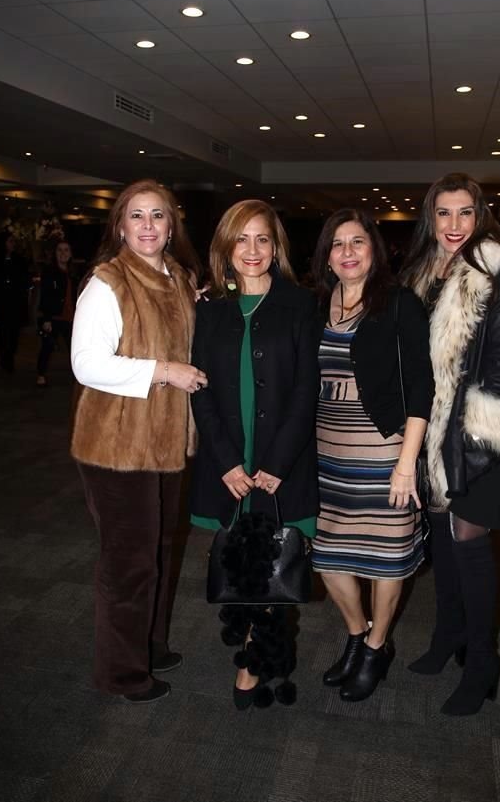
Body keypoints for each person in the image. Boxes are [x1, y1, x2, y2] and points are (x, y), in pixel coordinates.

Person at [402, 173, 500, 716]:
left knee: (470, 545)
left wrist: (475, 445)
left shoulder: (494, 271)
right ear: (430, 218)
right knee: (444, 542)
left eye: (464, 213)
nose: (454, 225)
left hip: (474, 435)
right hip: (431, 431)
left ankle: (482, 664)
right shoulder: (424, 272)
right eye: (443, 214)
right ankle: (447, 636)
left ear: (481, 215)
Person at [71, 179, 206, 704]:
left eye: (158, 216)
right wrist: (165, 370)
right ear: (120, 226)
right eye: (137, 216)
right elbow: (87, 364)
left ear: (172, 226)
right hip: (116, 445)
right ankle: (122, 671)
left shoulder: (178, 278)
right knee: (129, 561)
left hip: (167, 441)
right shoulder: (106, 282)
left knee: (160, 550)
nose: (148, 226)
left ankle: (148, 642)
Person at [190, 199, 319, 710]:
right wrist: (224, 461)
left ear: (277, 246)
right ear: (225, 246)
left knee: (274, 566)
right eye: (241, 239)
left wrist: (277, 464)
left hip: (280, 464)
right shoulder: (209, 308)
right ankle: (262, 655)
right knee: (241, 564)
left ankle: (257, 663)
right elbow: (198, 388)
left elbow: (306, 389)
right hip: (228, 461)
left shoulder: (300, 304)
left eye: (262, 238)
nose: (252, 249)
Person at [311, 209, 434, 702]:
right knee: (328, 556)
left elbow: (422, 386)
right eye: (338, 244)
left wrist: (406, 462)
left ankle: (378, 643)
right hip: (324, 452)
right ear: (326, 255)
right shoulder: (316, 303)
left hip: (384, 450)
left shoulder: (400, 303)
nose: (347, 253)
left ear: (374, 250)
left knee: (384, 557)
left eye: (357, 242)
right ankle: (360, 636)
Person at [36, 240, 77, 387]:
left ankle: (78, 376)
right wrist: (46, 319)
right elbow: (45, 296)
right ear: (55, 253)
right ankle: (41, 374)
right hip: (53, 317)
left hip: (71, 318)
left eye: (66, 250)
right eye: (60, 250)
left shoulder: (74, 273)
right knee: (47, 347)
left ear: (71, 253)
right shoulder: (49, 271)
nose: (63, 253)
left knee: (75, 349)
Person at [0, 231, 31, 373]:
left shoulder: (19, 259)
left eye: (14, 241)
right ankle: (3, 357)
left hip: (15, 300)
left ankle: (10, 356)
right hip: (1, 300)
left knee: (14, 332)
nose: (13, 244)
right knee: (2, 331)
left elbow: (26, 278)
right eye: (10, 241)